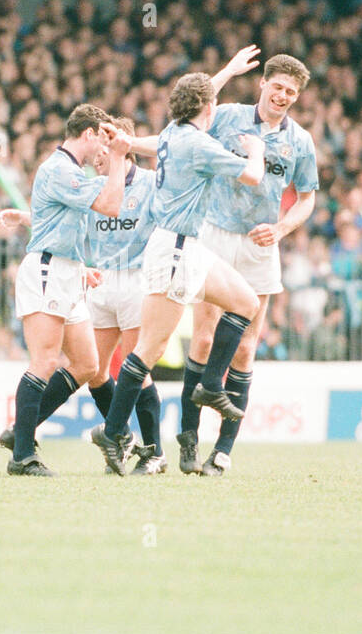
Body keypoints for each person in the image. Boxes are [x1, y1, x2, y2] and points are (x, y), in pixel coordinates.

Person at [89, 72, 265, 476]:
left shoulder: (172, 132)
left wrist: (130, 142)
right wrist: (255, 149)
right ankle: (113, 431)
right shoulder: (198, 143)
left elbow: (153, 142)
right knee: (148, 349)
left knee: (246, 303)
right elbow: (252, 175)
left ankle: (211, 386)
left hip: (187, 247)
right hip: (175, 250)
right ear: (209, 109)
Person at [0, 116, 165, 474]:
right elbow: (97, 210)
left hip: (119, 277)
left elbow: (69, 218)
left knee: (101, 365)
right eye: (102, 144)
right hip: (69, 273)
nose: (103, 153)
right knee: (54, 362)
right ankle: (24, 450)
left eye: (111, 146)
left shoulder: (144, 183)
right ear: (90, 136)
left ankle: (145, 447)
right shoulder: (72, 173)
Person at [178, 50, 318, 476]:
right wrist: (226, 73)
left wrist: (281, 230)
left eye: (291, 92)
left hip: (261, 245)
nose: (283, 96)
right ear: (262, 84)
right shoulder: (228, 118)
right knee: (202, 339)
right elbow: (191, 111)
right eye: (277, 86)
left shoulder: (300, 141)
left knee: (245, 346)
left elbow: (308, 197)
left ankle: (223, 450)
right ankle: (187, 439)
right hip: (216, 234)